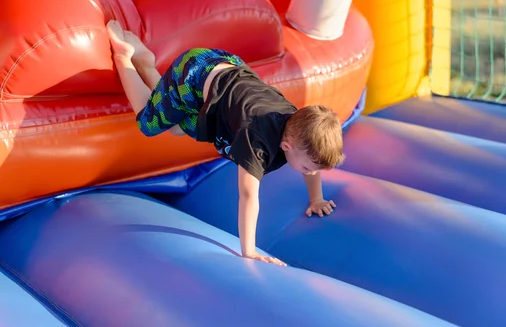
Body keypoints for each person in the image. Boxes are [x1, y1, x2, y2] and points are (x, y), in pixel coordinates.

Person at [105, 20, 345, 266]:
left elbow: (312, 160)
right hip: (193, 76)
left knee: (176, 128)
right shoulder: (257, 141)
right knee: (149, 123)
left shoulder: (297, 125)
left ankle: (145, 64)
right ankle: (124, 58)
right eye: (307, 169)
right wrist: (249, 252)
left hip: (226, 69)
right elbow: (248, 195)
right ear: (286, 146)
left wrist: (317, 199)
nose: (311, 173)